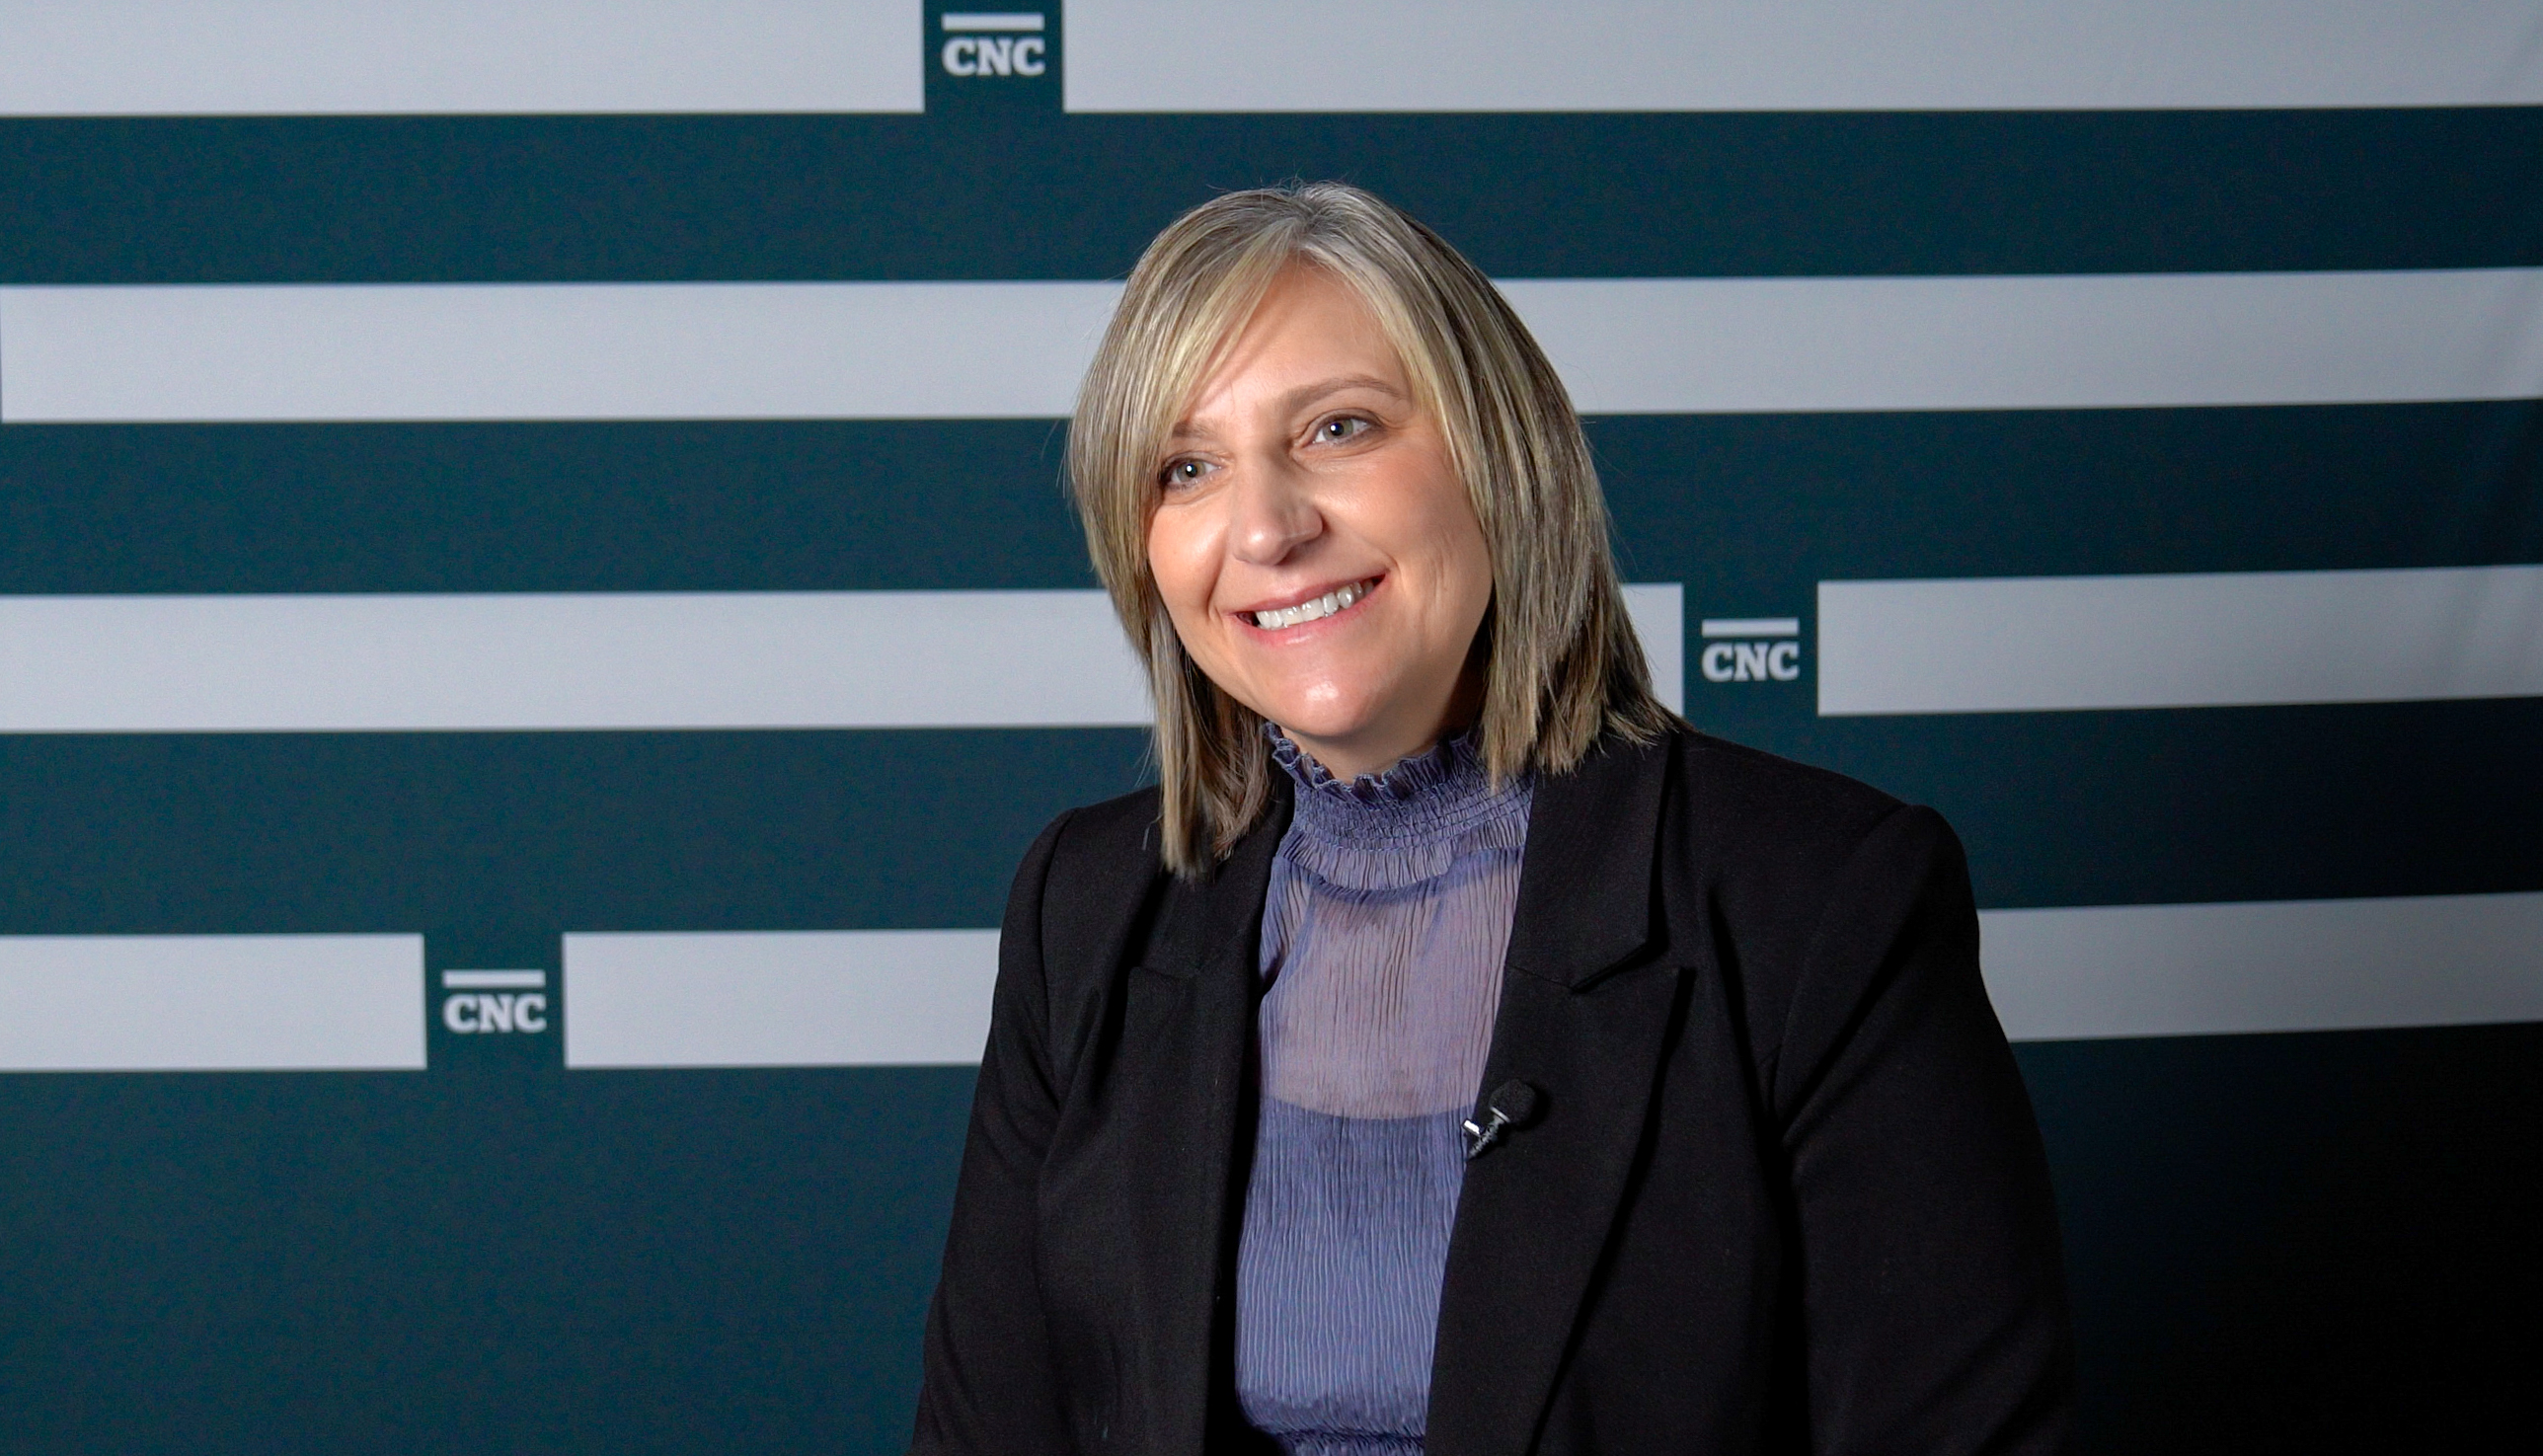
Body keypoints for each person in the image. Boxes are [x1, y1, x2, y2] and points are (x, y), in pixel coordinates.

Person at [910, 182, 2073, 1455]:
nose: (1267, 527)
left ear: (1498, 459)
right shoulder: (1084, 908)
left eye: (1339, 428)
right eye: (1187, 468)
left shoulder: (1818, 902)